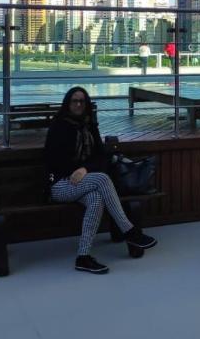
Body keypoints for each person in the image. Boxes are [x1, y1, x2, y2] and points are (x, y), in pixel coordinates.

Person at [44, 87, 157, 274]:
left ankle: (83, 257)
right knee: (103, 179)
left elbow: (100, 157)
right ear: (67, 103)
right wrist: (75, 171)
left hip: (83, 182)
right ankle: (129, 231)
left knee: (96, 200)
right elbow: (53, 160)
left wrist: (84, 169)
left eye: (82, 101)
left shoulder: (90, 126)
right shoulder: (59, 126)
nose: (79, 105)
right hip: (59, 184)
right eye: (75, 101)